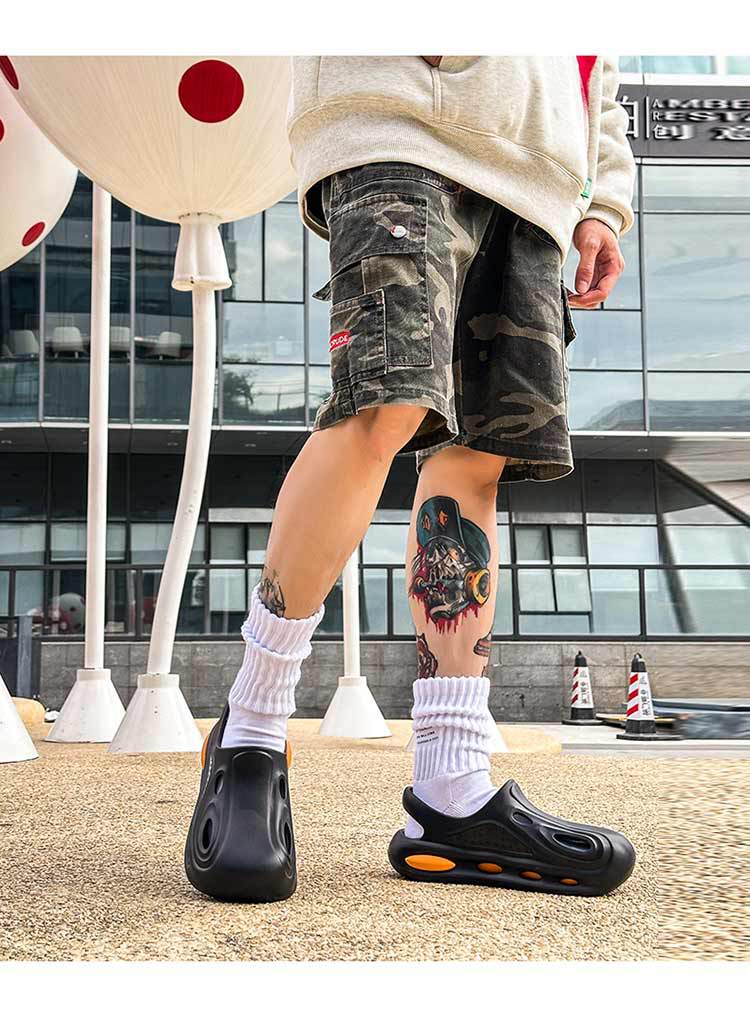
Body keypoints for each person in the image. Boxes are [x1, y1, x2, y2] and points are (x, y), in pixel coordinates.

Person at [185, 56, 637, 902]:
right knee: (383, 407)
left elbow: (599, 66)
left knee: (476, 460)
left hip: (538, 181)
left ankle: (451, 787)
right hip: (401, 121)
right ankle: (251, 731)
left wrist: (602, 197)